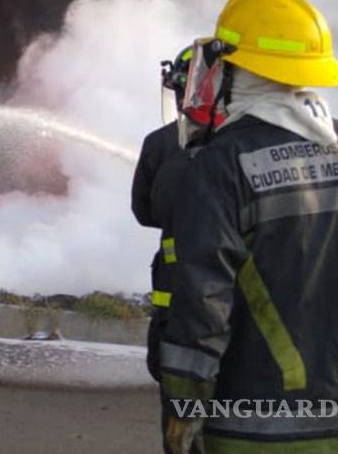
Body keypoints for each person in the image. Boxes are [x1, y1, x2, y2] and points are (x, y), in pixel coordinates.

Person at [160, 0, 338, 454]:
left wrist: (183, 417)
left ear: (234, 69)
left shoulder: (222, 165)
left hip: (255, 436)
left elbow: (201, 309)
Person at [132, 45, 207, 453]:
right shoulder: (255, 146)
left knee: (183, 425)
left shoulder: (162, 144)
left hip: (179, 315)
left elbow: (144, 212)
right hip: (250, 320)